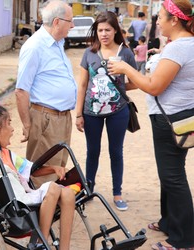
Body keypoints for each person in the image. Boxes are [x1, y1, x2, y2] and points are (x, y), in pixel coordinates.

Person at [108, 0, 194, 248]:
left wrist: (126, 67)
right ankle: (169, 223)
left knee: (173, 177)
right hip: (179, 118)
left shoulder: (179, 47)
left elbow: (154, 86)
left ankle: (183, 239)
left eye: (161, 17)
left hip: (170, 121)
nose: (158, 22)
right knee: (171, 175)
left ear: (174, 20)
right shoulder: (183, 45)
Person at [0, 103, 76, 249]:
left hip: (19, 201)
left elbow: (31, 169)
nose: (12, 129)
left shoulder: (7, 153)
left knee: (68, 193)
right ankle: (41, 243)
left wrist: (53, 168)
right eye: (9, 123)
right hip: (4, 209)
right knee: (52, 188)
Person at [75, 11, 137, 211]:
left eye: (107, 30)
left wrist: (117, 89)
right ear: (96, 31)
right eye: (100, 30)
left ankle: (117, 193)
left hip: (118, 111)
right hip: (91, 112)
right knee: (92, 151)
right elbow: (83, 84)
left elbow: (136, 81)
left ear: (115, 30)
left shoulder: (125, 53)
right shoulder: (89, 53)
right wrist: (78, 114)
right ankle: (88, 189)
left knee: (115, 152)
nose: (104, 34)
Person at [15, 0, 77, 187]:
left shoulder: (57, 43)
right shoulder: (35, 46)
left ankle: (52, 213)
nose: (73, 26)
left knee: (58, 169)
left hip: (62, 118)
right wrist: (27, 124)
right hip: (46, 118)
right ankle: (41, 213)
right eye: (70, 21)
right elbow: (21, 90)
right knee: (42, 174)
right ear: (57, 22)